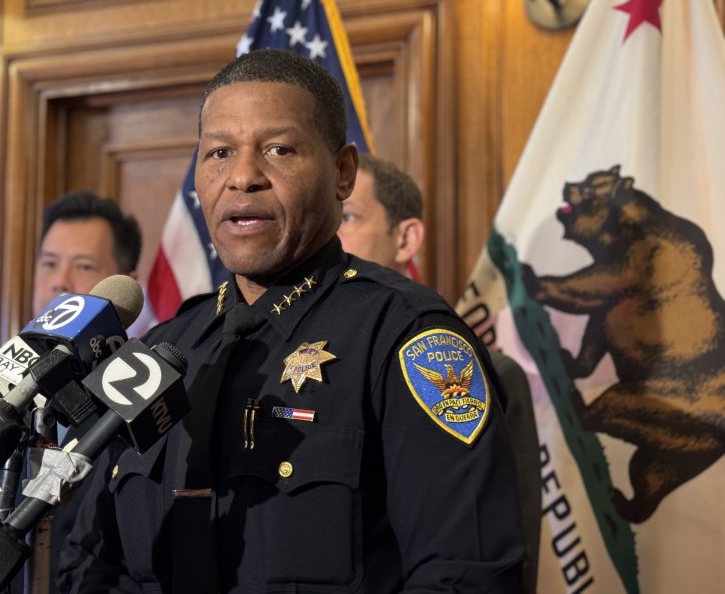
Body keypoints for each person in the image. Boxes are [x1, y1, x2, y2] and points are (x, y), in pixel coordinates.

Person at [58, 48, 523, 593]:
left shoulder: (408, 338)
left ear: (342, 173)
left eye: (278, 149)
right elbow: (86, 563)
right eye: (218, 154)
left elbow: (464, 576)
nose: (243, 177)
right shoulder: (163, 349)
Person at [0, 191, 143, 594]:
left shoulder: (136, 399)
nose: (60, 280)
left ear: (125, 287)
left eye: (84, 265)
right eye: (49, 263)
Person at [339, 155, 542, 593]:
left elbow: (502, 565)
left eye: (347, 217)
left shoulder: (484, 371)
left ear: (406, 237)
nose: (328, 237)